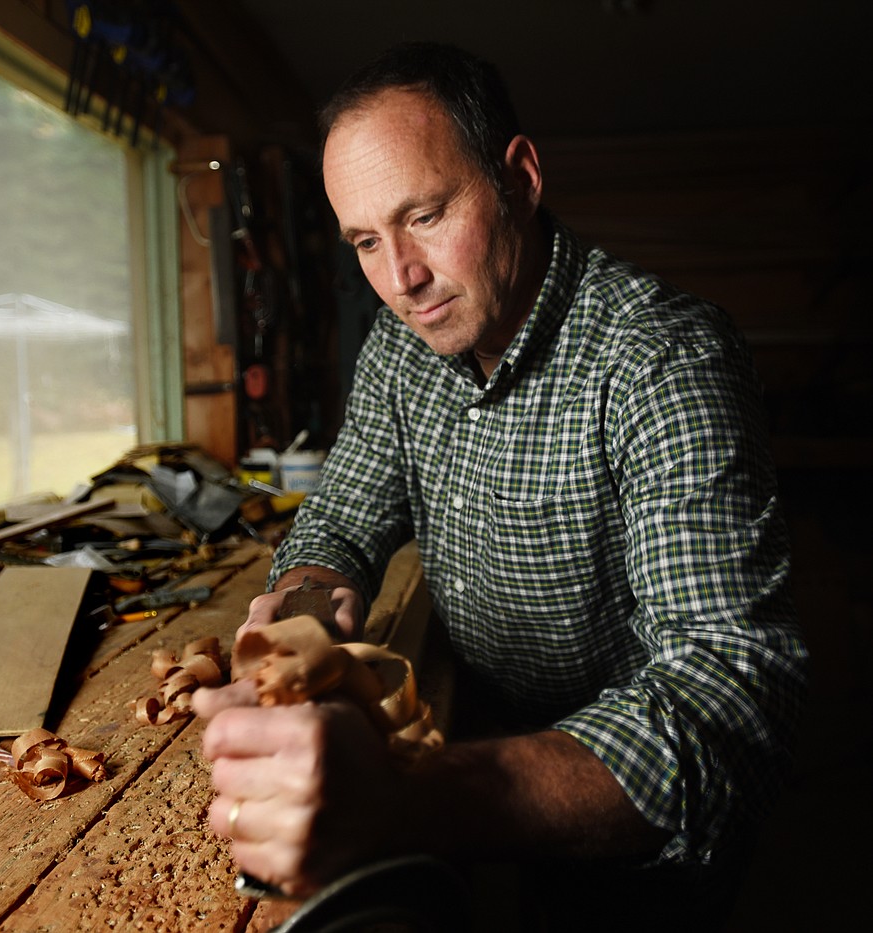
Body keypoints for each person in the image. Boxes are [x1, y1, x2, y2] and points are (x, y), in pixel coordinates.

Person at [193, 41, 808, 928]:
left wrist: (412, 796)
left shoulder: (661, 357)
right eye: (366, 240)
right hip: (475, 744)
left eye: (427, 215)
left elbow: (730, 702)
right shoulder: (404, 345)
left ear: (518, 177)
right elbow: (339, 520)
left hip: (633, 824)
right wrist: (296, 616)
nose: (400, 278)